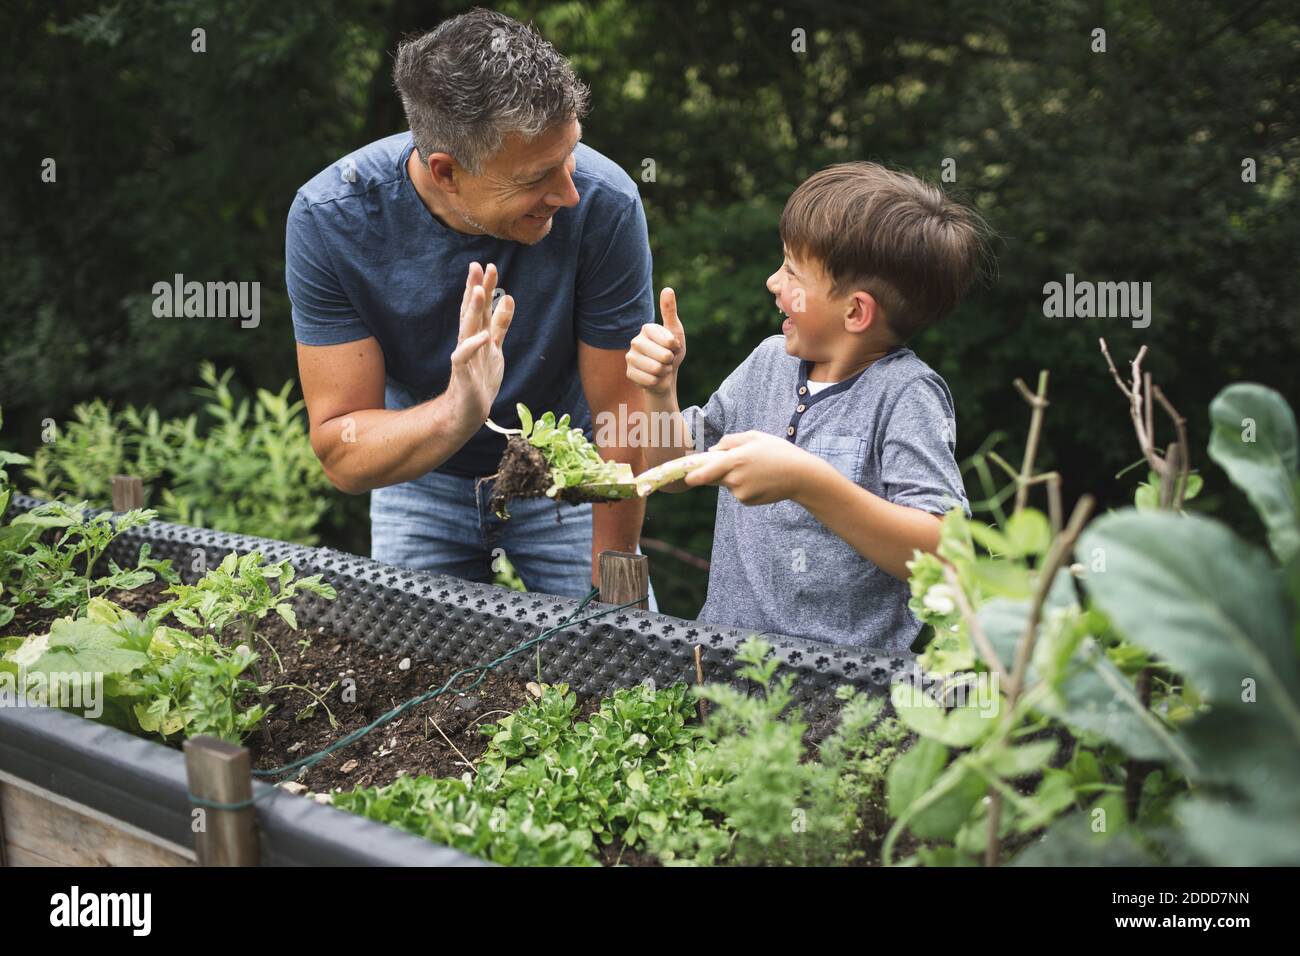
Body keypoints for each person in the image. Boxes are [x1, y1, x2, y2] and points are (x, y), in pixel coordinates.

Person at [285, 9, 652, 599]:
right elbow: (341, 453)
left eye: (570, 155)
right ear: (446, 172)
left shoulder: (606, 205)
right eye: (537, 177)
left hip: (576, 472)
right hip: (420, 477)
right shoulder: (332, 219)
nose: (569, 192)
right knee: (421, 679)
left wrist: (614, 576)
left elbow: (623, 416)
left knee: (625, 668)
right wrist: (459, 409)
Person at [625, 162, 988, 651]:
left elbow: (943, 552)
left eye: (792, 272)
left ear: (856, 311)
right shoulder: (767, 363)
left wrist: (806, 481)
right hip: (721, 665)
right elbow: (669, 473)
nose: (774, 283)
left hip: (842, 694)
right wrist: (660, 390)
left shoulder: (905, 394)